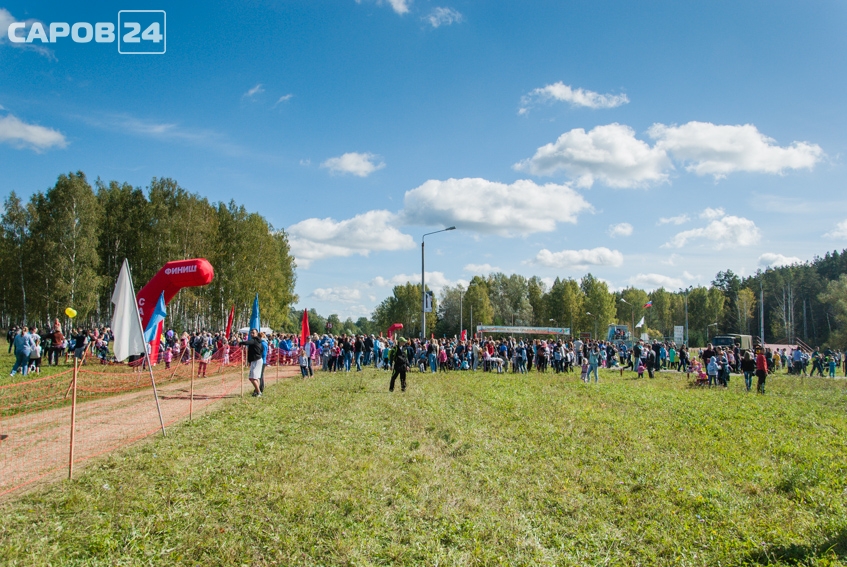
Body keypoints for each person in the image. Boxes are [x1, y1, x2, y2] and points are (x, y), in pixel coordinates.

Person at [239, 329, 264, 397]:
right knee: (256, 378)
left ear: (257, 333)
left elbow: (247, 342)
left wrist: (241, 343)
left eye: (253, 333)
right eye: (251, 333)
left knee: (252, 378)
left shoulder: (255, 340)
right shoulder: (259, 341)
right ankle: (256, 391)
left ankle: (258, 392)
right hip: (257, 360)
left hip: (256, 360)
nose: (252, 334)